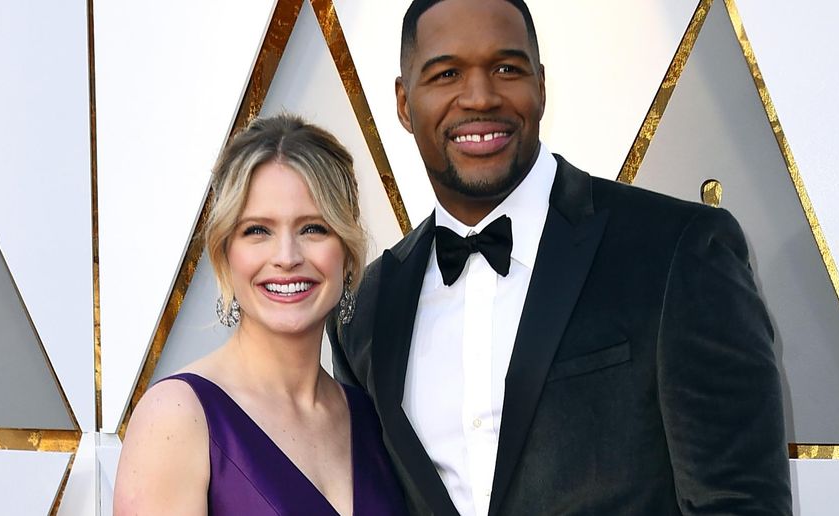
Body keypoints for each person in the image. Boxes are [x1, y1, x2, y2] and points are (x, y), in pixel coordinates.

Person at [327, 0, 792, 514]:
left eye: (507, 68)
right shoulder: (367, 308)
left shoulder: (677, 251)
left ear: (541, 86)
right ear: (403, 102)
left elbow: (740, 502)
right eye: (446, 73)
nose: (479, 97)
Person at [114, 114, 406, 515]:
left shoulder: (373, 419)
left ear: (347, 252)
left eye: (313, 228)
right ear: (225, 254)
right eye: (257, 231)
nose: (287, 257)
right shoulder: (177, 417)